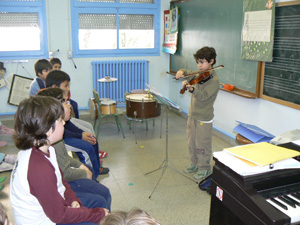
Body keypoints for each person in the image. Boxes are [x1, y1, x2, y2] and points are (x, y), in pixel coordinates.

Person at [10, 95, 109, 225]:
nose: (64, 123)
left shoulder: (46, 148)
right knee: (98, 215)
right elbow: (59, 216)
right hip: (47, 220)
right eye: (60, 120)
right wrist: (98, 214)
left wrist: (73, 200)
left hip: (56, 208)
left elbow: (60, 179)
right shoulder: (38, 167)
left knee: (102, 198)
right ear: (47, 129)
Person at [37, 88, 111, 211]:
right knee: (100, 198)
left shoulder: (55, 137)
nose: (69, 105)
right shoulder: (50, 143)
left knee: (104, 192)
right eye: (65, 103)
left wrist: (82, 167)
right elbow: (64, 174)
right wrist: (84, 172)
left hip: (64, 183)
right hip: (62, 189)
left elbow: (65, 158)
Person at [37, 86, 109, 177]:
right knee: (86, 147)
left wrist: (81, 133)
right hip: (64, 137)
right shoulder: (54, 140)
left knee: (92, 139)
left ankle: (96, 169)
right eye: (66, 103)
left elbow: (69, 125)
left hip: (64, 136)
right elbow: (65, 133)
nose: (69, 105)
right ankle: (93, 175)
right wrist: (80, 136)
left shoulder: (59, 121)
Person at [175, 46, 219, 180]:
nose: (199, 66)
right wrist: (182, 71)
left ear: (211, 61)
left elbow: (204, 95)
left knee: (202, 144)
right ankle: (194, 163)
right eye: (198, 62)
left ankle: (204, 167)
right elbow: (189, 72)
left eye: (202, 62)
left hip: (204, 118)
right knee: (191, 142)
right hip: (192, 115)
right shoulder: (199, 74)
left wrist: (193, 89)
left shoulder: (214, 80)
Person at [45, 70, 108, 160]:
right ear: (55, 86)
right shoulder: (50, 105)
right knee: (87, 145)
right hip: (62, 138)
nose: (68, 88)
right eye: (66, 86)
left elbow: (67, 123)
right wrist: (80, 135)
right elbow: (63, 130)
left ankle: (95, 157)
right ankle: (91, 163)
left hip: (67, 128)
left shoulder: (58, 100)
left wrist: (81, 133)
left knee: (89, 130)